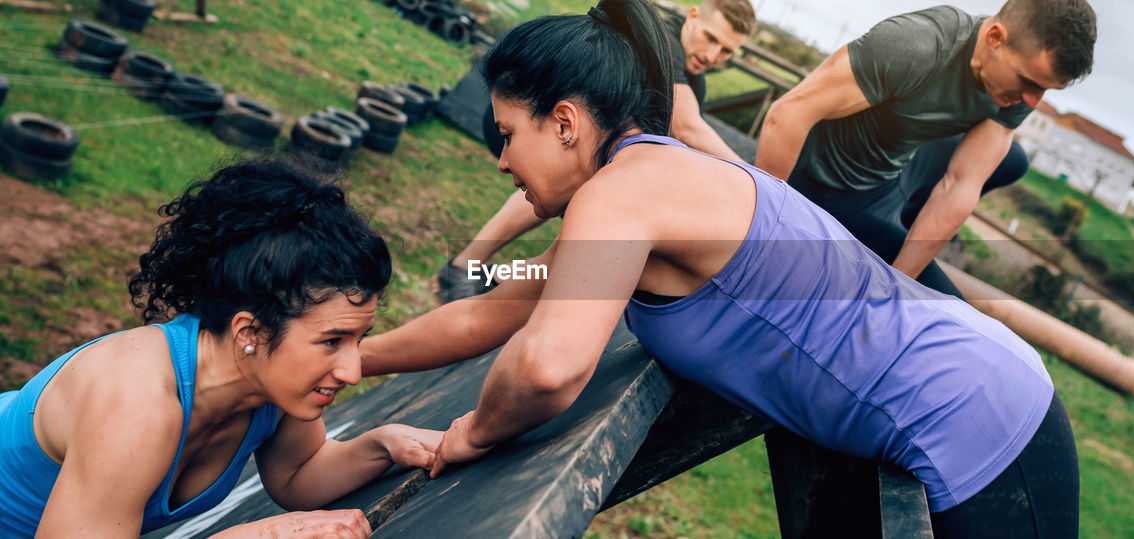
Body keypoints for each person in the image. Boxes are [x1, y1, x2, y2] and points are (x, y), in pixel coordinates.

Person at [361, 0, 1078, 536]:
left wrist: (474, 433)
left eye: (510, 134)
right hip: (972, 386)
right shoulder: (648, 184)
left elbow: (547, 367)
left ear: (567, 122)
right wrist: (356, 359)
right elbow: (496, 302)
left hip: (983, 421)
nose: (502, 158)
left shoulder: (621, 193)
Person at [0, 156, 442, 537]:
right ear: (249, 332)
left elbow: (298, 474)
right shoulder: (137, 405)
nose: (351, 371)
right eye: (331, 342)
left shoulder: (266, 382)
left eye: (356, 340)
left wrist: (384, 445)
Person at [755, 0, 1096, 298]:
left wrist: (895, 286)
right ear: (995, 38)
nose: (1033, 101)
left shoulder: (1017, 90)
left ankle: (905, 225)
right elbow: (789, 113)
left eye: (1047, 90)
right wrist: (767, 232)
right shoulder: (918, 43)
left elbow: (960, 185)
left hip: (893, 173)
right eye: (1030, 83)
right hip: (822, 183)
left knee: (1012, 160)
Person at [434, 0, 757, 303]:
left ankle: (497, 278)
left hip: (593, 162)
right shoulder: (665, 47)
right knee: (547, 194)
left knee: (561, 254)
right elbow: (686, 126)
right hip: (542, 129)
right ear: (693, 16)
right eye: (710, 38)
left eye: (726, 51)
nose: (713, 55)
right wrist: (756, 179)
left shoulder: (693, 77)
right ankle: (464, 267)